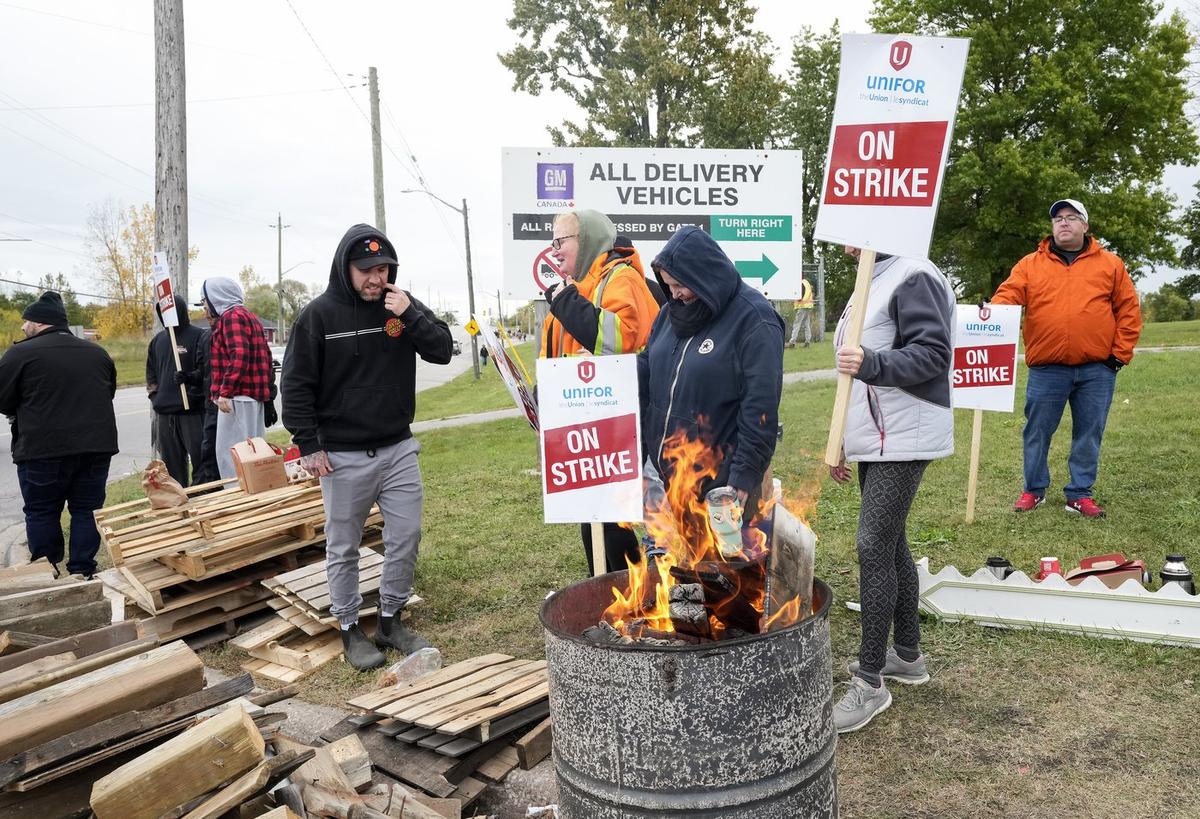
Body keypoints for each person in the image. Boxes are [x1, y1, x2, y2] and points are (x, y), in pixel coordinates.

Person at [283, 224, 454, 671]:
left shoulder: (400, 308)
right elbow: (296, 385)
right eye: (366, 271)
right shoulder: (318, 316)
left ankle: (391, 619)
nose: (375, 278)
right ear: (346, 269)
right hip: (341, 455)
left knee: (406, 535)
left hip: (398, 447)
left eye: (383, 269)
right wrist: (307, 444)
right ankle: (348, 627)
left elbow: (442, 350)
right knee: (344, 545)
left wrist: (411, 311)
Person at [828, 246, 955, 734]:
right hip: (879, 436)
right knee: (891, 541)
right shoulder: (871, 276)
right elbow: (852, 373)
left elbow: (932, 354)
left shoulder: (913, 274)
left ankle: (870, 682)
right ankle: (906, 655)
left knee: (872, 543)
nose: (843, 238)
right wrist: (841, 437)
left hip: (906, 434)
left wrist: (873, 362)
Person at [989, 198, 1142, 518]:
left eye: (1071, 218)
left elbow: (1128, 311)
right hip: (1047, 369)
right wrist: (991, 312)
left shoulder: (1110, 264)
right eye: (1058, 218)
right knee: (1037, 431)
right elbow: (1007, 296)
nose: (1063, 223)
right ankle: (1033, 490)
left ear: (1085, 226)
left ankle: (1079, 493)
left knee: (1089, 432)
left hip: (1097, 370)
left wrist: (1118, 357)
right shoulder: (1030, 264)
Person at [639, 226, 784, 533]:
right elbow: (645, 370)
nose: (675, 294)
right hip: (676, 479)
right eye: (669, 286)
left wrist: (741, 482)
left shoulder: (754, 320)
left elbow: (760, 409)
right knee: (688, 576)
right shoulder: (669, 315)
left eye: (680, 285)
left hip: (724, 488)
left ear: (703, 276)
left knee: (733, 576)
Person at [541, 209, 661, 575]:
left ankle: (630, 594)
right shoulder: (577, 289)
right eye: (553, 243)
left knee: (612, 521)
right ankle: (602, 592)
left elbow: (618, 340)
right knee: (591, 515)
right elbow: (557, 351)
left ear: (588, 239)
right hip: (585, 425)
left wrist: (565, 303)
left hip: (622, 424)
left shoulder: (620, 279)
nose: (555, 251)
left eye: (561, 242)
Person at [0, 292, 118, 579]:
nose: (23, 328)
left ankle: (47, 570)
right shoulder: (98, 353)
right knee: (87, 509)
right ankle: (83, 570)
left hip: (43, 450)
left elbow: (2, 400)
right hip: (95, 448)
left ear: (39, 323)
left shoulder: (20, 354)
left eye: (26, 322)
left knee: (42, 511)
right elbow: (108, 393)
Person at [201, 277, 274, 479]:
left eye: (205, 300)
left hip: (237, 397)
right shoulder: (249, 316)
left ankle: (238, 494)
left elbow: (239, 354)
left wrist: (225, 391)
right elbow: (266, 357)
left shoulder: (231, 318)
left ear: (217, 297)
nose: (205, 306)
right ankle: (255, 490)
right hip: (250, 396)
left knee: (232, 453)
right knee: (254, 450)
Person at [146, 299, 206, 486]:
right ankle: (179, 501)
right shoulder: (158, 341)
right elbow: (151, 374)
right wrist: (155, 397)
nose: (167, 315)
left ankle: (202, 497)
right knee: (172, 466)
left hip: (193, 412)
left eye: (170, 310)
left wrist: (191, 382)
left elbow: (206, 370)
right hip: (166, 414)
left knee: (201, 460)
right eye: (163, 311)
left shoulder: (200, 336)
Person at [785, 277, 815, 348]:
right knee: (806, 324)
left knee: (797, 324)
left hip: (802, 306)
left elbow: (800, 297)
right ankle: (807, 342)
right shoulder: (806, 282)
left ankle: (792, 342)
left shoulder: (800, 284)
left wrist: (794, 297)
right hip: (808, 306)